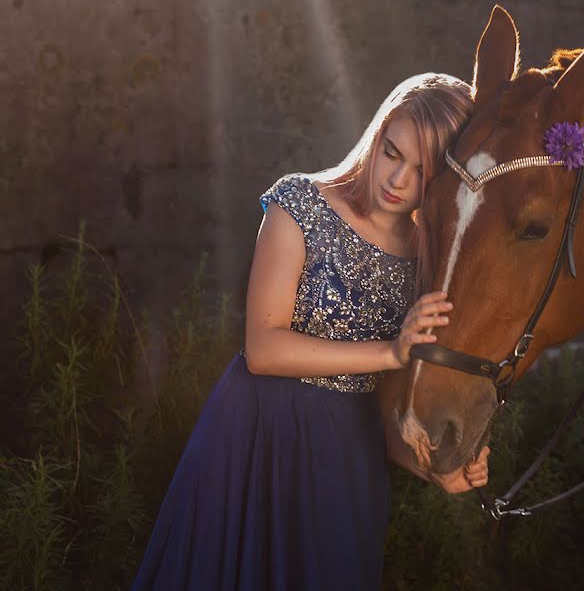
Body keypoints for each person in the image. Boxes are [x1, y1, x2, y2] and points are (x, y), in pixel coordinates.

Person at [131, 73, 489, 590]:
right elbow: (262, 347)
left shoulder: (426, 260)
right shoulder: (299, 204)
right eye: (392, 152)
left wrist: (441, 467)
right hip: (252, 438)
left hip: (345, 461)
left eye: (422, 171)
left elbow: (389, 403)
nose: (398, 180)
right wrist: (390, 351)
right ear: (378, 130)